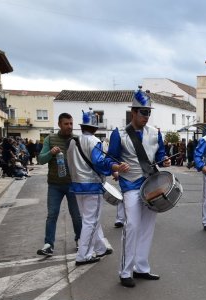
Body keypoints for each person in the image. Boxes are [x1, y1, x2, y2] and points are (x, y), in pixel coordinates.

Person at [106, 87, 171, 288]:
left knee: (148, 228)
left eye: (149, 112)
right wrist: (116, 167)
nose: (146, 116)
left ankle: (141, 267)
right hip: (131, 185)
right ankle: (125, 271)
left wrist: (164, 160)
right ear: (133, 112)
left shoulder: (155, 133)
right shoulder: (119, 134)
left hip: (151, 184)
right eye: (143, 112)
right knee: (132, 226)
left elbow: (159, 154)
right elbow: (110, 158)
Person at [67, 109, 125, 265]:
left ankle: (100, 247)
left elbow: (69, 163)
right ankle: (84, 255)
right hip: (92, 185)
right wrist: (112, 169)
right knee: (90, 221)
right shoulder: (94, 141)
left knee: (90, 219)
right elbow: (99, 163)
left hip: (77, 185)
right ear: (95, 127)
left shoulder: (73, 141)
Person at [36, 113, 82, 256]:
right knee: (52, 215)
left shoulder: (76, 139)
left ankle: (80, 240)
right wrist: (51, 152)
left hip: (72, 184)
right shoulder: (50, 139)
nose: (69, 126)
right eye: (66, 124)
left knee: (76, 215)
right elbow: (41, 160)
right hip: (54, 185)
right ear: (59, 124)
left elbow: (84, 161)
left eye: (71, 123)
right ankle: (48, 244)